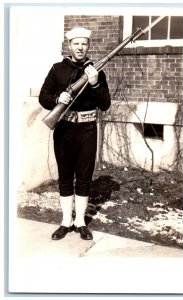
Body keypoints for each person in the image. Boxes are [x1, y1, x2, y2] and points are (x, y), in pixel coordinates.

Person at [39, 27, 111, 240]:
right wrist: (56, 100)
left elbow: (105, 104)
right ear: (69, 45)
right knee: (65, 176)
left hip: (87, 130)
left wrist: (95, 83)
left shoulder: (96, 70)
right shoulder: (57, 69)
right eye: (76, 44)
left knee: (84, 176)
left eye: (84, 44)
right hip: (64, 128)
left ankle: (80, 222)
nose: (80, 47)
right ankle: (65, 221)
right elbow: (44, 96)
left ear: (89, 45)